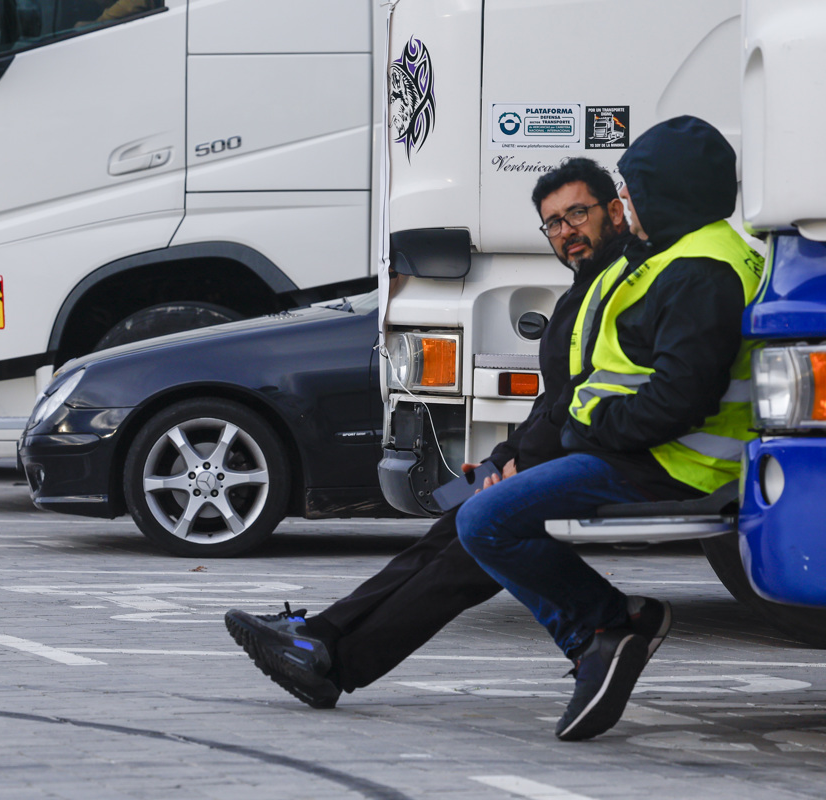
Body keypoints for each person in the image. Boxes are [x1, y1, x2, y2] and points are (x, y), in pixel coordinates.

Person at [223, 157, 656, 710]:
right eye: (553, 223)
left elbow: (585, 398)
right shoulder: (584, 289)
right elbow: (553, 399)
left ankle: (333, 658)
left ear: (614, 212)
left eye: (577, 213)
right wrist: (502, 457)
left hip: (600, 460)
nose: (566, 232)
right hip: (561, 454)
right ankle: (324, 637)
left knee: (468, 551)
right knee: (448, 528)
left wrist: (518, 466)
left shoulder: (618, 285)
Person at [456, 116, 764, 741]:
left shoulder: (700, 270)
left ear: (666, 191)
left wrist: (590, 429)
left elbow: (682, 396)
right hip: (647, 452)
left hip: (669, 464)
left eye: (631, 191)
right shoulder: (691, 253)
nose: (625, 205)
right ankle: (603, 636)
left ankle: (609, 627)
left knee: (482, 521)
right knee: (479, 510)